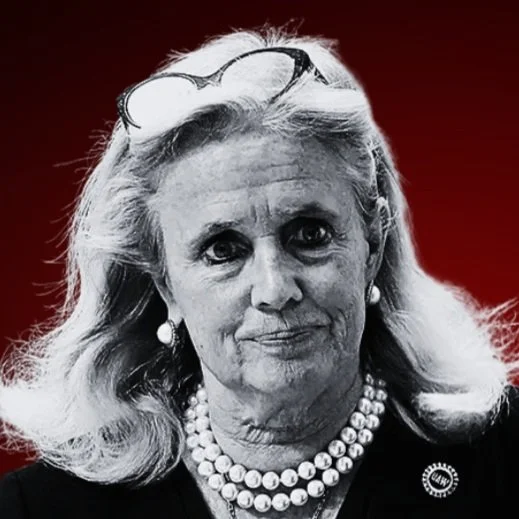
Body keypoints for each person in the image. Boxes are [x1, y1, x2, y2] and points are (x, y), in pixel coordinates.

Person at [0, 27, 518, 518]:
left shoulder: (503, 457)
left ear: (373, 246)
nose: (274, 289)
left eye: (310, 235)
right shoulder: (36, 508)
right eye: (223, 250)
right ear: (164, 283)